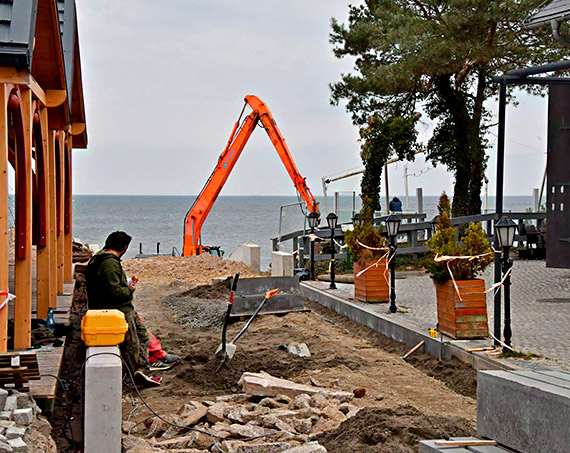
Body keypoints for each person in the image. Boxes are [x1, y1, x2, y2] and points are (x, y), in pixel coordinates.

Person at [86, 231, 163, 386]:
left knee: (142, 335)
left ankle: (142, 367)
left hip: (116, 308)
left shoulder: (100, 260)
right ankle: (136, 372)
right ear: (125, 248)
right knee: (132, 343)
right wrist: (130, 289)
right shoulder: (109, 263)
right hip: (118, 310)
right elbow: (114, 292)